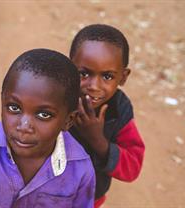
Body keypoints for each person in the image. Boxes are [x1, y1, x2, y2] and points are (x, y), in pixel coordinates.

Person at [0, 49, 95, 208]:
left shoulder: (80, 170)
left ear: (68, 120)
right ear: (2, 101)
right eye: (14, 107)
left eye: (44, 114)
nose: (24, 127)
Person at [68, 24, 145, 207]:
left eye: (108, 76)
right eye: (84, 73)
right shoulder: (56, 97)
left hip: (87, 200)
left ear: (123, 77)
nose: (94, 85)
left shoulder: (119, 112)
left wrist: (98, 141)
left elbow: (132, 167)